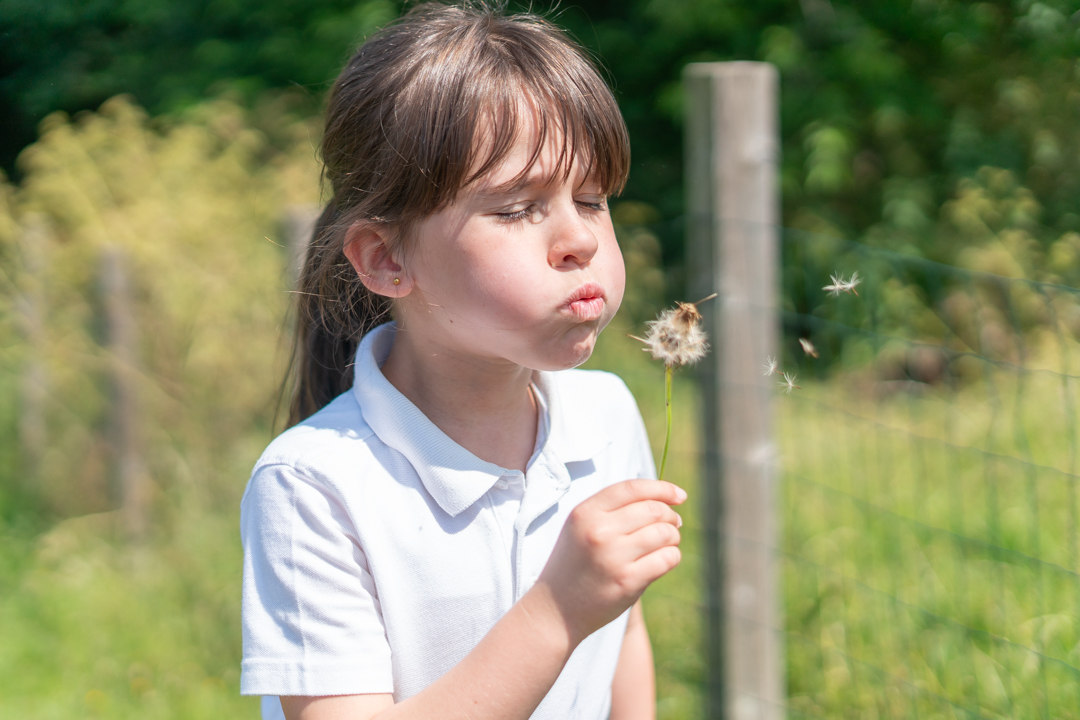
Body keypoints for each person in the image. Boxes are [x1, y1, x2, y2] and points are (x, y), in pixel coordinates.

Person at [239, 3, 685, 719]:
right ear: (387, 259)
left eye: (593, 199)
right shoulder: (312, 487)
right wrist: (557, 610)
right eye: (517, 208)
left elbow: (622, 638)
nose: (579, 239)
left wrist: (590, 610)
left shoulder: (606, 418)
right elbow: (580, 616)